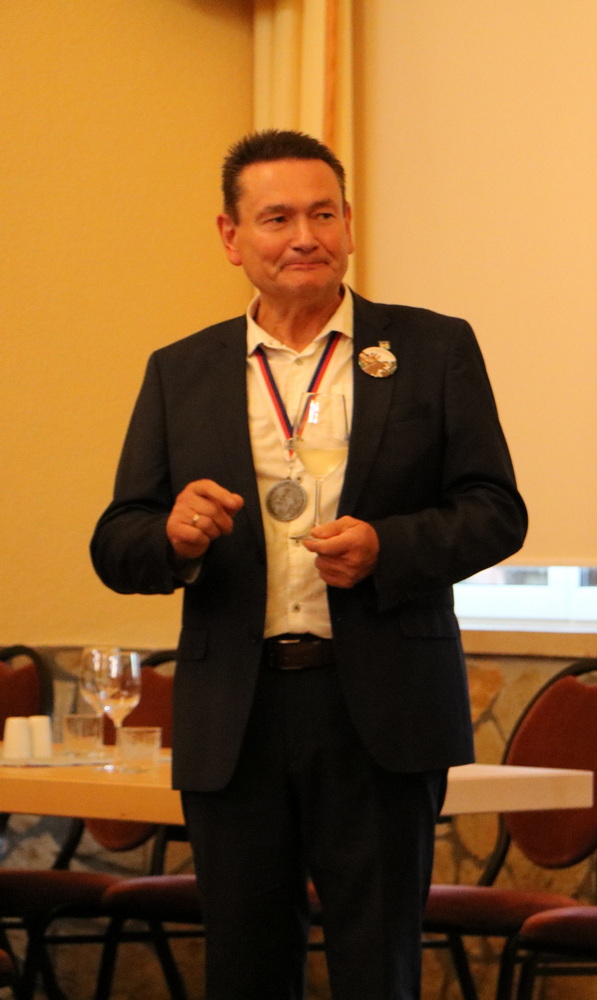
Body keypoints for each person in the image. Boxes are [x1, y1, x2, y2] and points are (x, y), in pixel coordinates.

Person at [91, 129, 526, 1000]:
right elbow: (117, 540)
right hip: (236, 711)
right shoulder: (182, 371)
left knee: (378, 966)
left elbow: (495, 512)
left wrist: (388, 547)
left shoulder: (433, 348)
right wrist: (173, 536)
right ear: (231, 237)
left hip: (380, 706)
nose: (304, 237)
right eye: (278, 218)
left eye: (323, 215)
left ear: (350, 225)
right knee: (246, 970)